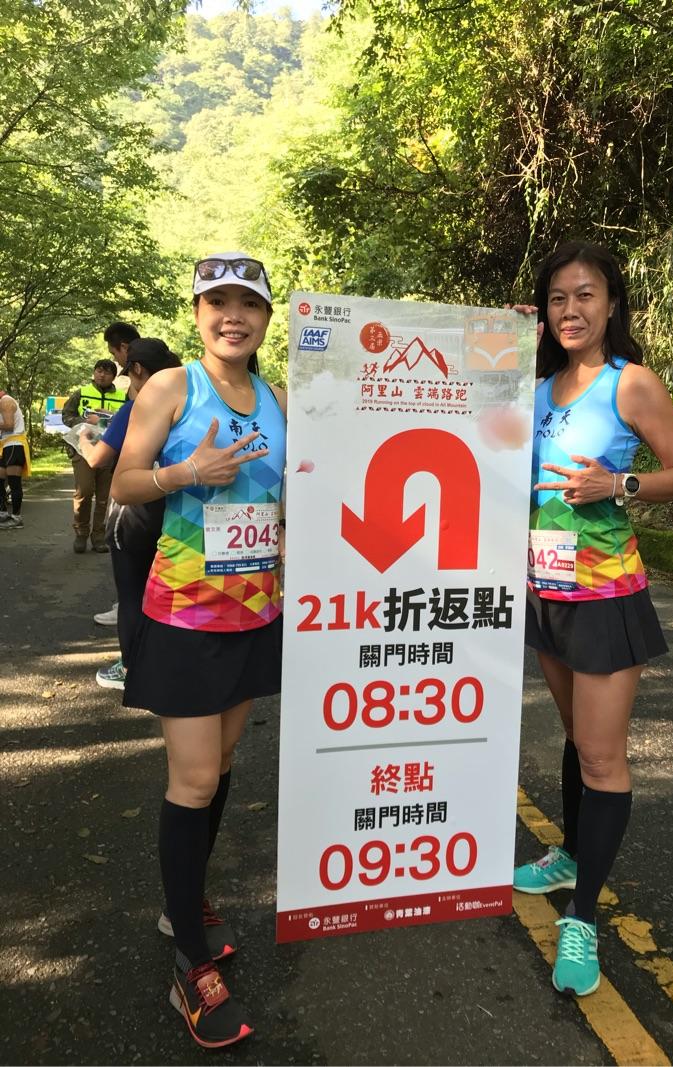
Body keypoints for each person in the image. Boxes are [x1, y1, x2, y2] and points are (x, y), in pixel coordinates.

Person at [512, 241, 673, 997]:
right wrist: (500, 345)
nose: (571, 310)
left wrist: (618, 483)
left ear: (612, 303)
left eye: (585, 294)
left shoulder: (632, 383)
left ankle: (583, 915)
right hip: (546, 589)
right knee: (575, 737)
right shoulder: (534, 389)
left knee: (602, 758)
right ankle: (568, 855)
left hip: (604, 594)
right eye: (558, 297)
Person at [111, 252, 286, 1049]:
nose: (232, 315)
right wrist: (187, 470)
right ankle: (189, 962)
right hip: (184, 615)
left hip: (253, 612)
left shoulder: (277, 399)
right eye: (217, 302)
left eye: (247, 303)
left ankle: (185, 902)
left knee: (222, 763)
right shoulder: (170, 386)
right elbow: (124, 482)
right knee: (193, 777)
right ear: (196, 314)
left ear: (265, 318)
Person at [75, 339, 182, 689]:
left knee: (132, 592)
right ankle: (168, 660)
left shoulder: (137, 409)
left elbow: (97, 459)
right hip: (176, 510)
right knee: (169, 589)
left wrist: (83, 437)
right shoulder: (189, 406)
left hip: (133, 512)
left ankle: (131, 668)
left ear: (137, 369)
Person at [62, 358, 128, 553]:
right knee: (84, 491)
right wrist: (84, 422)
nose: (102, 375)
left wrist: (103, 420)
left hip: (109, 450)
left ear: (113, 376)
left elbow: (129, 420)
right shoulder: (81, 393)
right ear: (94, 372)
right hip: (83, 450)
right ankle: (81, 532)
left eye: (107, 372)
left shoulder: (122, 397)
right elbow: (66, 416)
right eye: (99, 371)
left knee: (103, 497)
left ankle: (98, 536)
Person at [0, 389, 30, 530]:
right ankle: (3, 513)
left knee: (14, 482)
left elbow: (9, 425)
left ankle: (17, 518)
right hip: (5, 445)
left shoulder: (5, 401)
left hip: (14, 444)